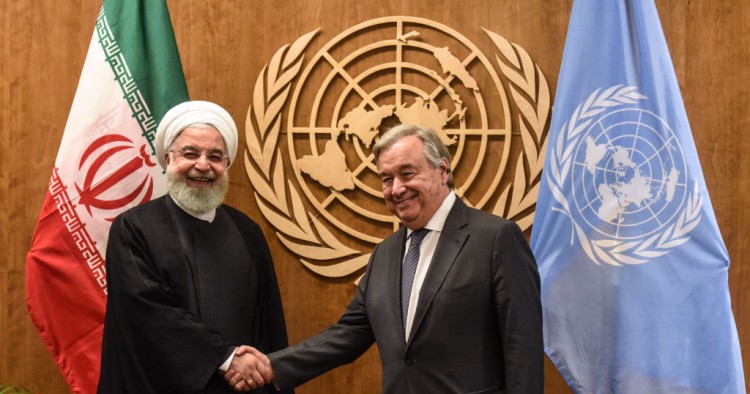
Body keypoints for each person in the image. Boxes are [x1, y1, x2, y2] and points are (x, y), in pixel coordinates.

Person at [226, 124, 544, 393]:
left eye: (407, 173)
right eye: (387, 178)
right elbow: (349, 334)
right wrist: (271, 365)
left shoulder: (496, 238)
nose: (396, 189)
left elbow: (523, 351)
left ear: (443, 170)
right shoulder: (386, 252)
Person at [97, 100, 291, 393]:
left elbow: (269, 324)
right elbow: (149, 315)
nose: (203, 165)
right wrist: (225, 358)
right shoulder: (133, 228)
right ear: (168, 158)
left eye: (215, 156)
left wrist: (267, 373)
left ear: (226, 164)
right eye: (190, 153)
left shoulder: (247, 231)